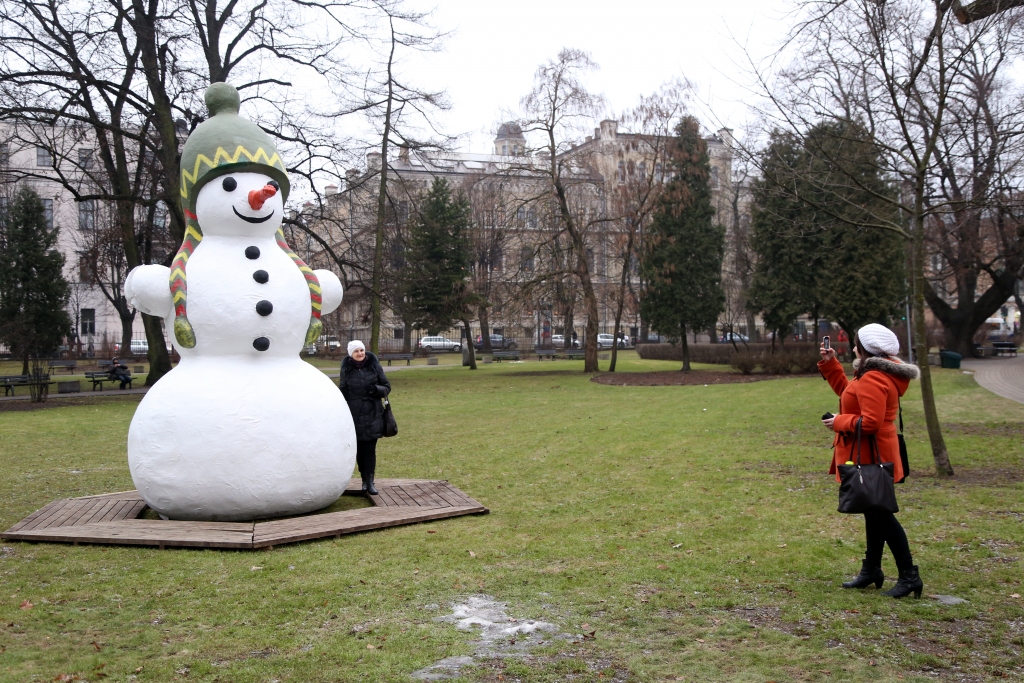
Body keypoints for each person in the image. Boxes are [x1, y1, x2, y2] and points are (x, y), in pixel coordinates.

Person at [818, 323, 923, 599]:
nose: (853, 347)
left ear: (866, 349)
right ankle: (872, 569)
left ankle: (909, 575)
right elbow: (850, 395)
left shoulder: (874, 377)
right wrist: (831, 365)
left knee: (881, 515)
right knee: (873, 510)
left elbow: (872, 421)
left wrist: (839, 421)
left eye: (856, 344)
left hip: (871, 452)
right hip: (871, 451)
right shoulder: (872, 373)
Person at [339, 340, 391, 495]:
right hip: (354, 413)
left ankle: (370, 481)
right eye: (356, 351)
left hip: (373, 412)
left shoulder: (374, 365)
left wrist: (376, 390)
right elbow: (343, 390)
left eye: (361, 350)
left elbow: (387, 387)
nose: (360, 353)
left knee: (370, 449)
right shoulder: (346, 369)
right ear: (351, 354)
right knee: (359, 450)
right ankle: (363, 480)